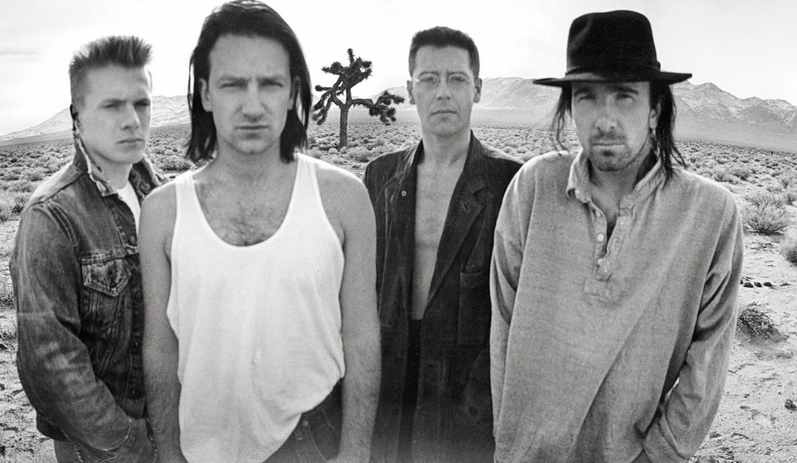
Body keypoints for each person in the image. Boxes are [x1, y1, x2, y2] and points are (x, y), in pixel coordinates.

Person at [490, 10, 743, 463]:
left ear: (655, 109)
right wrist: (509, 440)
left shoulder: (710, 214)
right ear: (570, 108)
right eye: (586, 97)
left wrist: (660, 454)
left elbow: (708, 360)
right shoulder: (533, 187)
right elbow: (503, 324)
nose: (604, 118)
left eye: (624, 96)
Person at [139, 1, 380, 462]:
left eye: (270, 83)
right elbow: (160, 349)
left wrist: (355, 454)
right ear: (206, 94)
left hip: (314, 442)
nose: (253, 106)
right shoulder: (163, 214)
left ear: (292, 93)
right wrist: (168, 453)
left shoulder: (344, 199)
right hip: (202, 446)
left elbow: (361, 335)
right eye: (233, 84)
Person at [363, 26, 521, 462]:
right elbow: (362, 288)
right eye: (429, 79)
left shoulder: (509, 182)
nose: (443, 92)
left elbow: (521, 311)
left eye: (457, 79)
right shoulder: (380, 176)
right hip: (388, 385)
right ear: (411, 90)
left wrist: (482, 399)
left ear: (477, 89)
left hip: (463, 402)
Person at [11, 35, 163, 462]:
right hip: (103, 446)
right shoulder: (51, 216)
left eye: (142, 103)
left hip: (167, 426)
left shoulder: (160, 195)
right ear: (77, 117)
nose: (132, 120)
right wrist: (130, 445)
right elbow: (51, 360)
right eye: (112, 106)